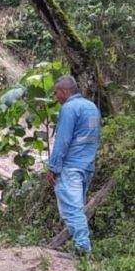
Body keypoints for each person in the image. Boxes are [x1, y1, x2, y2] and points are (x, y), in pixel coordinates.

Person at [46, 75, 101, 255]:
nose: (56, 97)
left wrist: (53, 167)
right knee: (77, 209)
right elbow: (94, 138)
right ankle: (81, 248)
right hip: (86, 166)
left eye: (56, 93)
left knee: (72, 211)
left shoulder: (70, 108)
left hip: (70, 167)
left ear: (64, 91)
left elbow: (63, 140)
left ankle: (83, 249)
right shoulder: (92, 107)